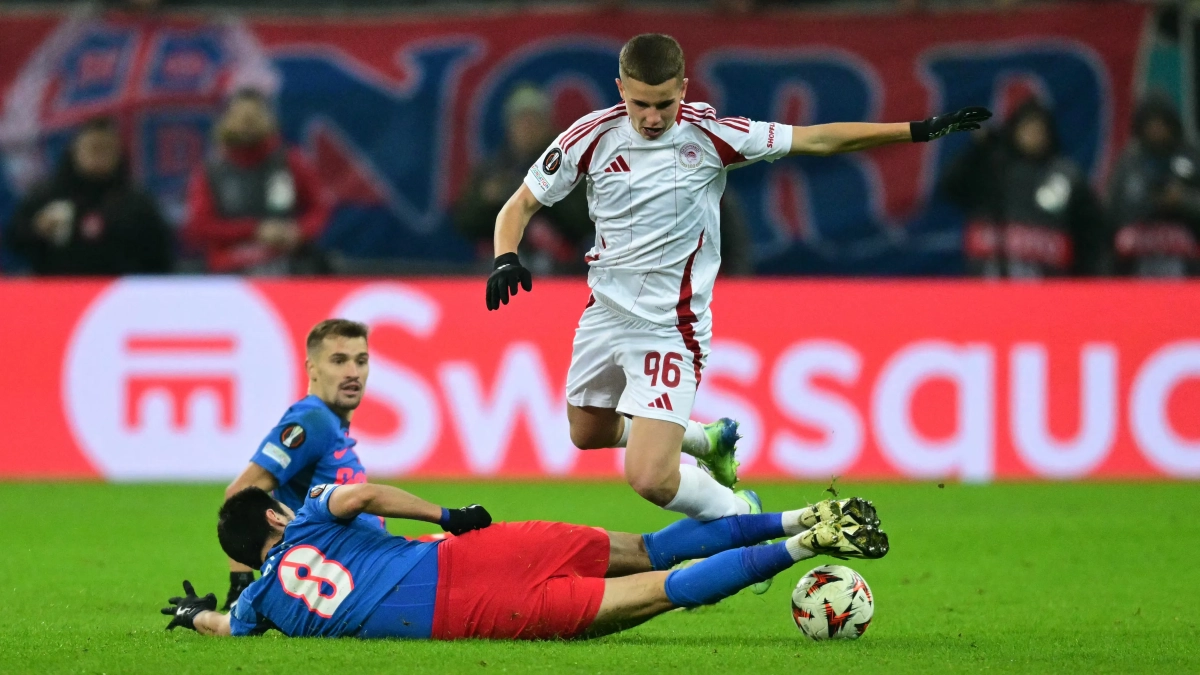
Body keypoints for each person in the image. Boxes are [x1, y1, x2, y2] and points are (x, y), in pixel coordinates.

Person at [485, 34, 987, 532]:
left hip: (669, 328)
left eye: (665, 103)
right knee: (586, 434)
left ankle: (743, 515)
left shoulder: (712, 137)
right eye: (641, 104)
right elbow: (521, 204)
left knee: (650, 478)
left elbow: (818, 138)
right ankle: (707, 441)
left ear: (683, 87)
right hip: (604, 314)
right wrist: (505, 257)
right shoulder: (589, 137)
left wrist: (917, 131)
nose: (654, 117)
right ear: (620, 89)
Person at [161, 482, 888, 640]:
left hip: (465, 613)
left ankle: (800, 545)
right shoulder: (312, 508)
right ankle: (800, 514)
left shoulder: (260, 603)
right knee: (648, 546)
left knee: (662, 589)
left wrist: (197, 615)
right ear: (274, 516)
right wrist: (446, 515)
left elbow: (228, 628)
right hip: (474, 550)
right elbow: (367, 494)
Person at [218, 318, 382, 611]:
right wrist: (241, 585)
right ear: (312, 369)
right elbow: (241, 492)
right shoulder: (312, 421)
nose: (353, 373)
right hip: (350, 578)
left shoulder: (330, 424)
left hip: (366, 566)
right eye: (339, 360)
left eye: (361, 361)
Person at [941, 98, 1106, 278]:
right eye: (1027, 129)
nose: (1033, 136)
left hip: (1050, 290)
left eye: (1039, 130)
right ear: (1015, 130)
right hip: (989, 284)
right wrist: (977, 151)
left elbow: (1092, 234)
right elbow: (951, 188)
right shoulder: (993, 167)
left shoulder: (1065, 175)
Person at [183, 89, 330, 274]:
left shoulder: (290, 162)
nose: (247, 123)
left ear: (269, 119)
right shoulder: (210, 171)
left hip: (287, 262)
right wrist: (256, 230)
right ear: (226, 121)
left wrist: (299, 231)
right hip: (230, 269)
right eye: (241, 116)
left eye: (254, 116)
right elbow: (200, 226)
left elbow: (319, 208)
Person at [453, 85, 593, 276]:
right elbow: (466, 222)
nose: (526, 127)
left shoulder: (568, 166)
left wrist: (545, 196)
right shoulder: (493, 169)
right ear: (509, 126)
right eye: (520, 120)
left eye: (533, 120)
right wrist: (488, 201)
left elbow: (585, 222)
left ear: (547, 124)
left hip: (558, 270)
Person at [5, 117, 173, 275]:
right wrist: (36, 230)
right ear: (75, 152)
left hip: (121, 296)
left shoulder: (137, 203)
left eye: (106, 149)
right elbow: (14, 242)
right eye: (92, 148)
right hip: (56, 293)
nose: (98, 156)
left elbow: (161, 257)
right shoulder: (47, 196)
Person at [1106, 92, 1200, 277]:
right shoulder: (1128, 164)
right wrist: (1147, 203)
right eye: (1151, 123)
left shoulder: (1192, 159)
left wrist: (1181, 200)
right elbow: (1111, 216)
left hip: (1187, 269)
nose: (1156, 129)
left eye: (1161, 122)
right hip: (1135, 267)